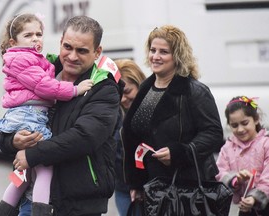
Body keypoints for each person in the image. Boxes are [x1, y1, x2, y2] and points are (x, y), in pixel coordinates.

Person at [0, 15, 122, 216]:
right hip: (28, 201)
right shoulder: (42, 72)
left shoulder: (103, 88)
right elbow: (13, 118)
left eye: (82, 51)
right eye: (68, 47)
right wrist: (11, 140)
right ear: (61, 42)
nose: (72, 56)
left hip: (76, 206)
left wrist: (32, 154)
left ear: (97, 52)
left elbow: (84, 137)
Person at [122, 25, 224, 204]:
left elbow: (213, 133)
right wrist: (135, 183)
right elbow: (133, 137)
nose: (155, 56)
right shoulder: (146, 87)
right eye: (153, 50)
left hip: (188, 189)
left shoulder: (194, 91)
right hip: (152, 188)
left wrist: (179, 153)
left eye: (164, 52)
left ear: (177, 56)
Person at [215, 96, 269, 216]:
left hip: (265, 206)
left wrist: (255, 197)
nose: (240, 129)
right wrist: (235, 180)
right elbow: (220, 172)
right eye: (234, 125)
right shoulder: (227, 148)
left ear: (256, 119)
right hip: (242, 208)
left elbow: (268, 177)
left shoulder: (266, 144)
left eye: (245, 123)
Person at [113, 59, 146, 216]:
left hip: (147, 187)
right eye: (119, 95)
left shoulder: (151, 108)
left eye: (127, 92)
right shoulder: (114, 113)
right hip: (122, 187)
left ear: (139, 83)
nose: (123, 99)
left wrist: (138, 183)